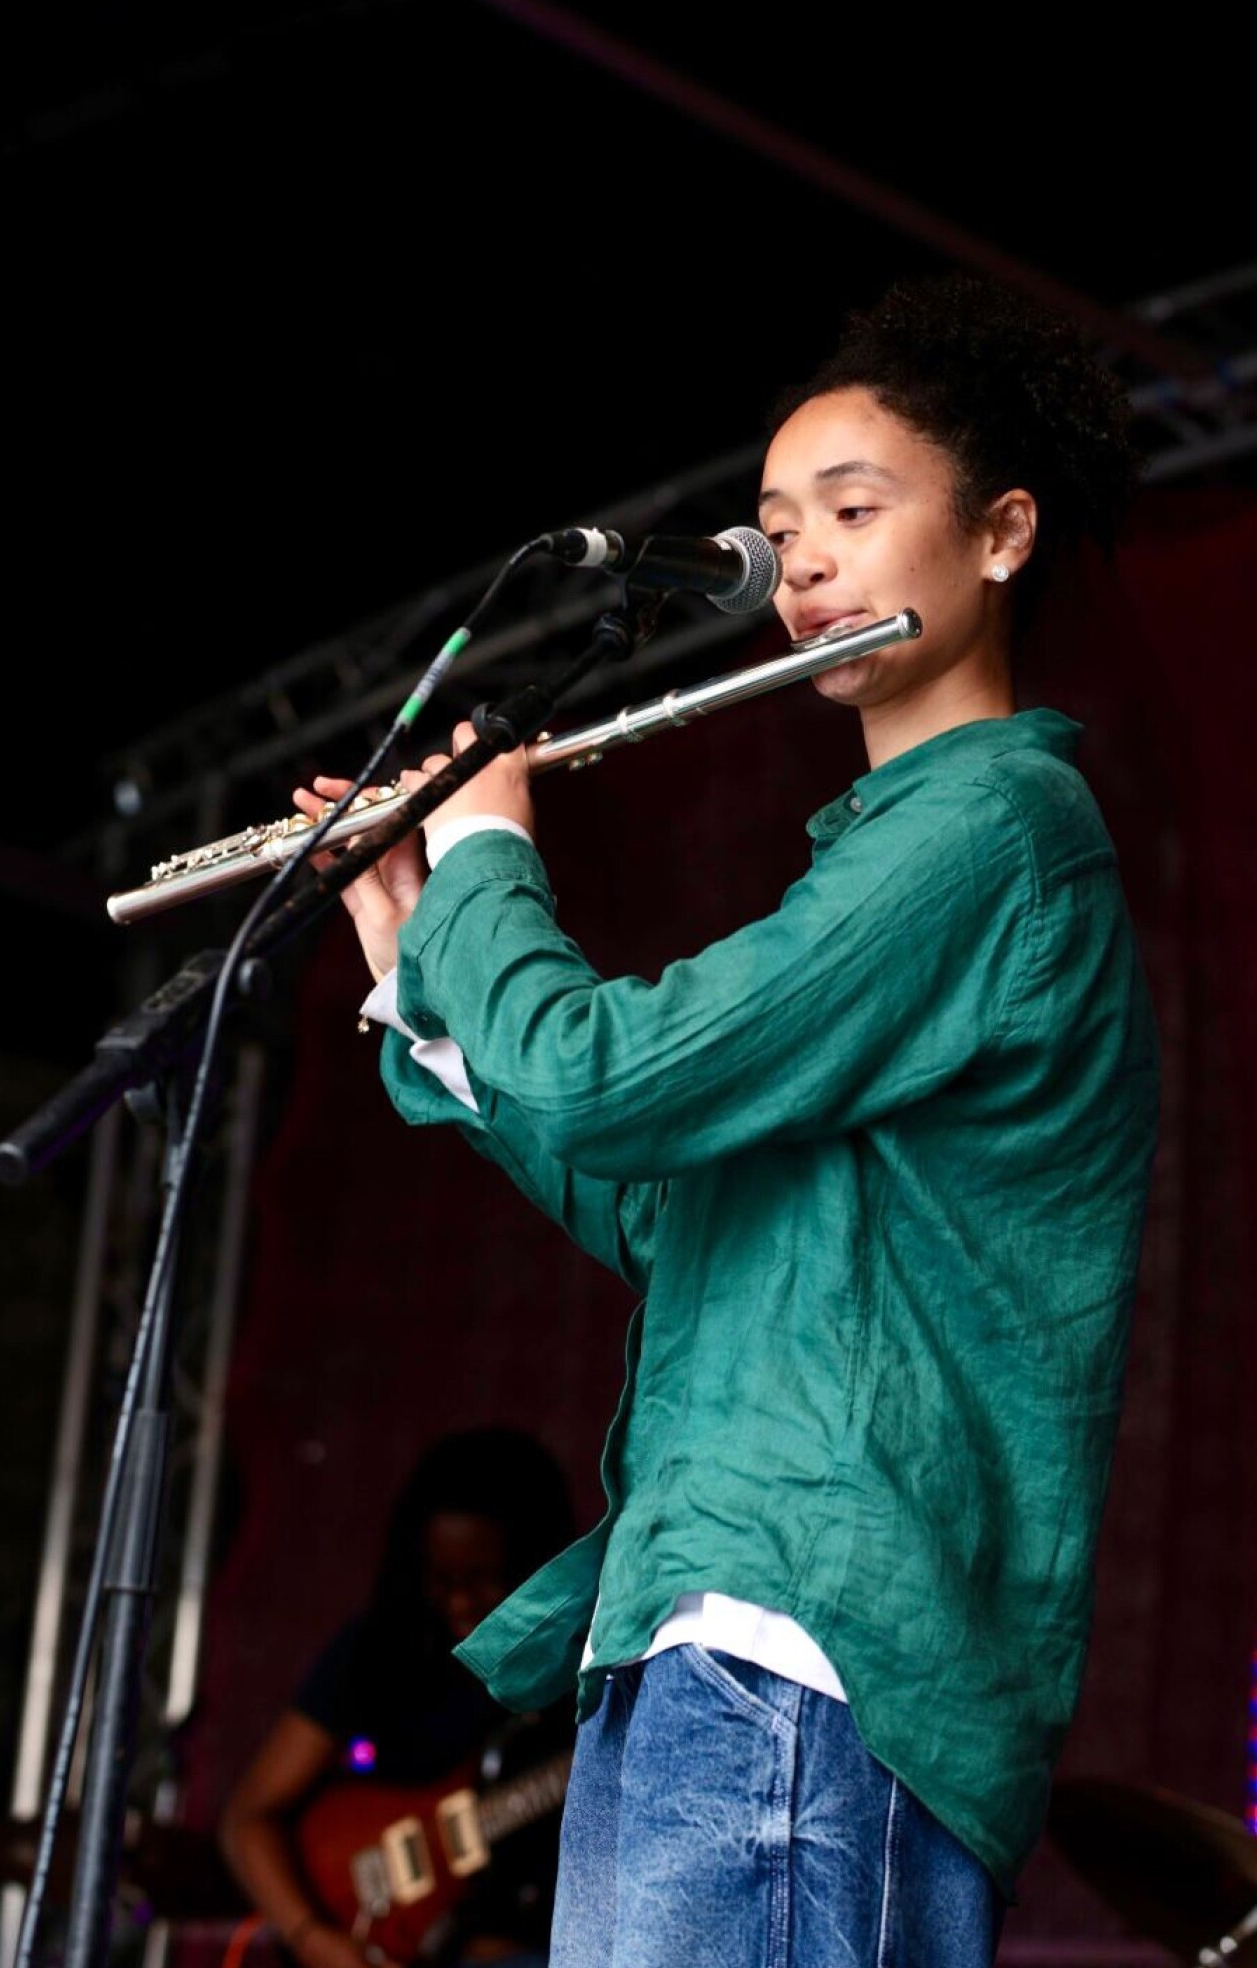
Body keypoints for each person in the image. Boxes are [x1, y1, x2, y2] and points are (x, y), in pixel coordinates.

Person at [292, 271, 1162, 1965]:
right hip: (713, 1622)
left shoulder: (992, 827)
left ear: (999, 533)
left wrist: (487, 851)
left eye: (851, 509)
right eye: (775, 530)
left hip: (809, 1636)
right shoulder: (896, 858)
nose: (802, 560)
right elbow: (667, 1211)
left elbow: (605, 1076)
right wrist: (422, 972)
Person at [216, 1426, 578, 1968]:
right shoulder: (376, 1649)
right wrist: (314, 1939)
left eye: (483, 1580)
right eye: (442, 1580)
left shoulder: (582, 1662)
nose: (459, 1601)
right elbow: (248, 1818)